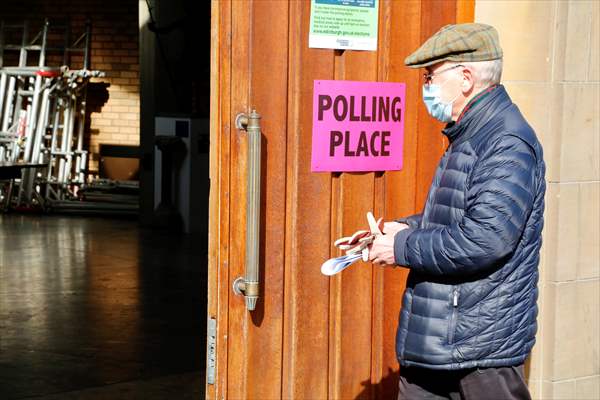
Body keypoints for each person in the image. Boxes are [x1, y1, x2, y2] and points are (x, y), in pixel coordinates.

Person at [368, 23, 546, 400]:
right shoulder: (470, 133)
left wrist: (402, 248)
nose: (426, 87)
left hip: (479, 350)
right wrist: (399, 230)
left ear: (466, 78)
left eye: (431, 76)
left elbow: (484, 239)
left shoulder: (505, 142)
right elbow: (455, 220)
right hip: (440, 342)